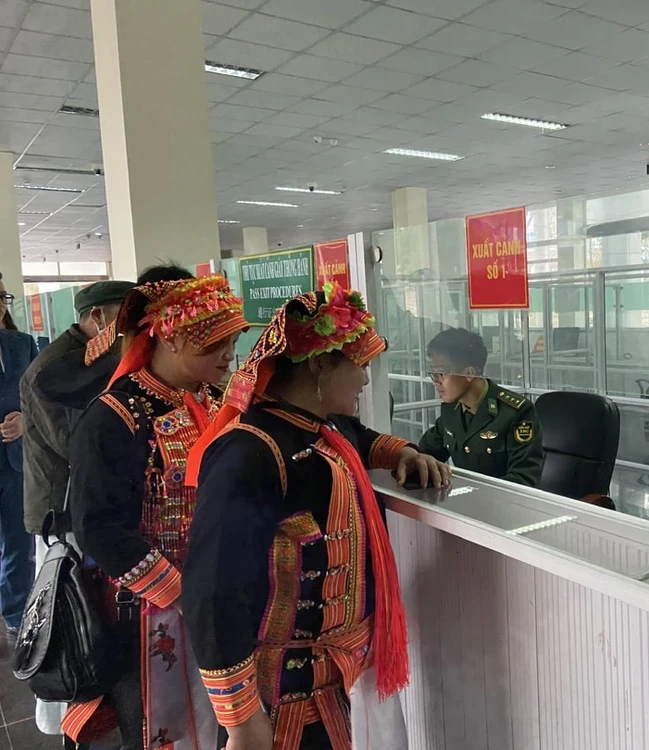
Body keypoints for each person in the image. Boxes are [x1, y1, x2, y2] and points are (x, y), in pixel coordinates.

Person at [182, 283, 448, 749]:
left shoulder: (316, 422)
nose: (365, 381)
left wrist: (403, 452)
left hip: (329, 682)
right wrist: (243, 720)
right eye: (359, 367)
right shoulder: (251, 452)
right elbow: (213, 593)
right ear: (322, 364)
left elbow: (359, 437)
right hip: (281, 697)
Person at [63, 266, 247, 750]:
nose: (231, 356)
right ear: (170, 338)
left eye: (233, 340)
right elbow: (97, 526)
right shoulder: (115, 417)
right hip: (146, 614)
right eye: (215, 342)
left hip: (215, 602)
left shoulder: (216, 401)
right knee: (160, 733)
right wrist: (181, 592)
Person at [19, 279, 134, 737]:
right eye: (125, 319)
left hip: (77, 503)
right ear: (100, 318)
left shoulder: (90, 356)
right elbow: (74, 445)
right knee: (67, 612)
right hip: (59, 510)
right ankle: (67, 709)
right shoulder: (54, 369)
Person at [418, 327, 543, 487]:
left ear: (469, 373)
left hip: (502, 507)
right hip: (463, 505)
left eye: (441, 373)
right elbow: (425, 453)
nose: (436, 381)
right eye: (433, 374)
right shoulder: (451, 408)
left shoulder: (516, 412)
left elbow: (523, 480)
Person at [0, 271, 38, 646]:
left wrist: (27, 421)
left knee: (18, 546)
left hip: (14, 461)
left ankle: (16, 615)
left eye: (2, 297)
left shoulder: (21, 344)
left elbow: (40, 396)